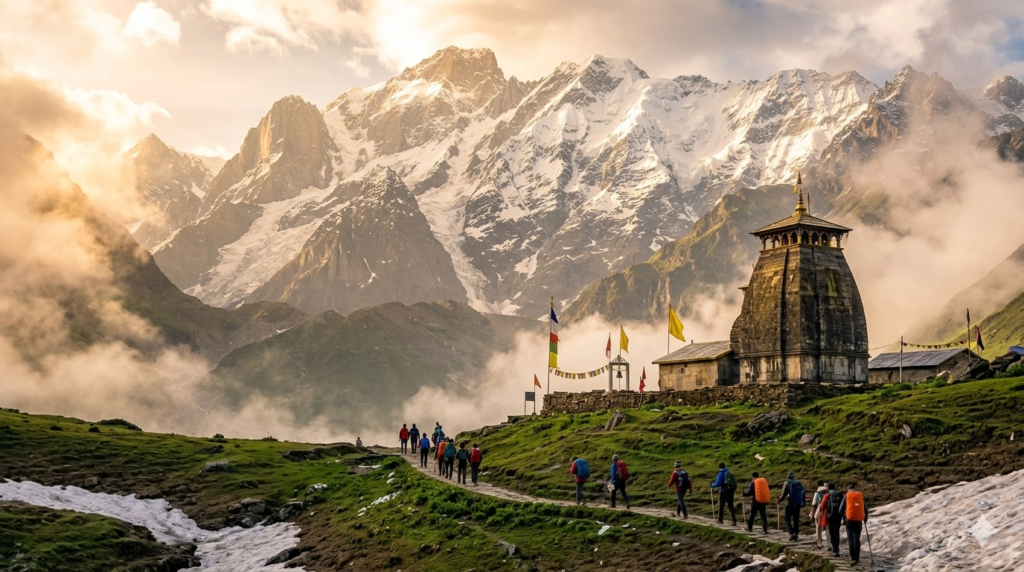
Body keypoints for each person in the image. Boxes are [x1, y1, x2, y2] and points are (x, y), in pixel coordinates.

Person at [839, 483, 868, 565]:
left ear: (848, 489)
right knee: (857, 539)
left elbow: (840, 509)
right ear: (855, 489)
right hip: (859, 521)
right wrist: (865, 519)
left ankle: (853, 558)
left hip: (850, 521)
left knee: (851, 539)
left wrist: (843, 518)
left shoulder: (847, 496)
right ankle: (857, 557)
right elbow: (865, 509)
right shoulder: (860, 496)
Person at [778, 471, 806, 541]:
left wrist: (779, 500)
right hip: (798, 504)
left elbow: (783, 494)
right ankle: (796, 534)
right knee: (796, 519)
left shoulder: (787, 483)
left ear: (787, 477)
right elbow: (803, 492)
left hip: (790, 504)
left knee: (787, 519)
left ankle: (791, 533)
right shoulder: (799, 484)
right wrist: (803, 502)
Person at [821, 482, 845, 558]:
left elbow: (822, 506)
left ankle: (835, 550)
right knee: (836, 531)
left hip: (830, 516)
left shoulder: (827, 495)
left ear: (828, 488)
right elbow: (844, 505)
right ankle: (837, 548)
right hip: (838, 516)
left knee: (832, 533)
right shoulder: (839, 494)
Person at [811, 481, 828, 548]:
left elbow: (814, 504)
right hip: (827, 511)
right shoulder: (827, 493)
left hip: (819, 511)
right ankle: (830, 544)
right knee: (827, 528)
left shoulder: (817, 493)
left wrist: (812, 514)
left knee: (818, 527)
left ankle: (819, 542)